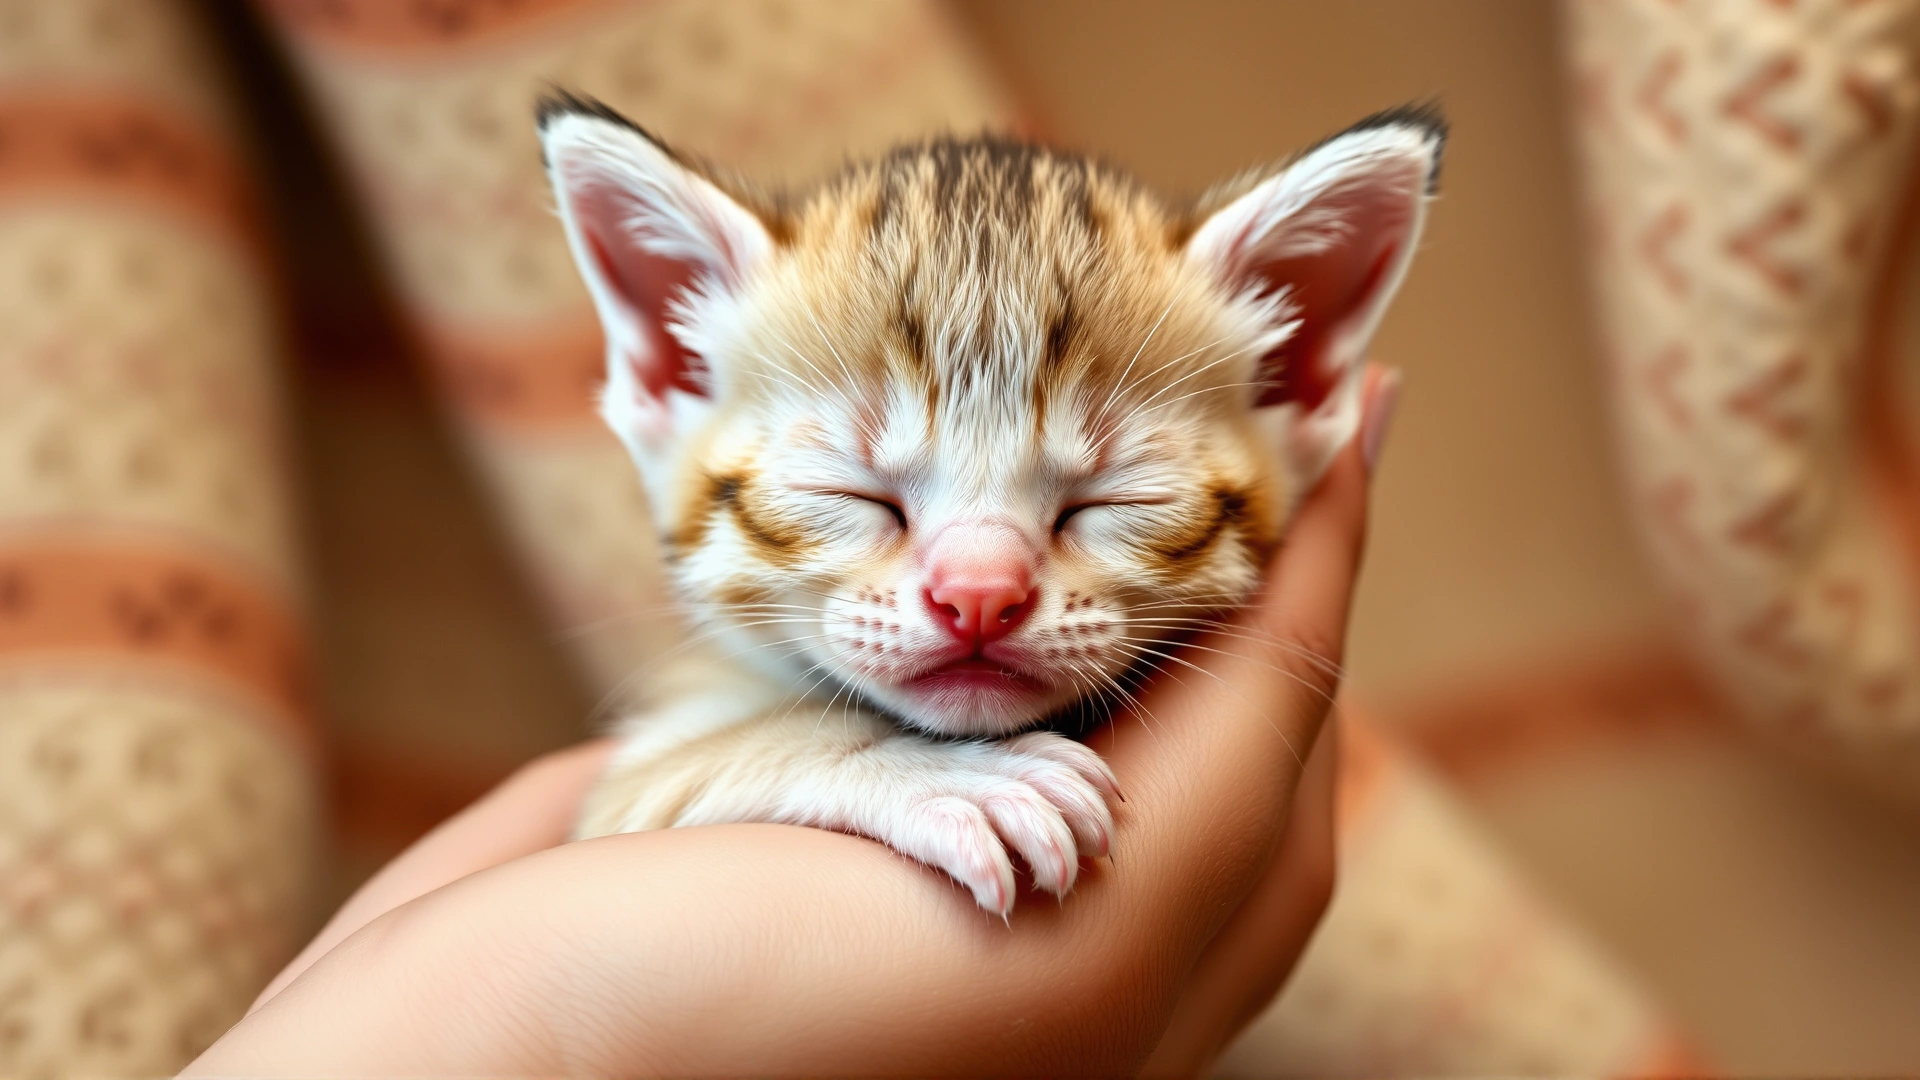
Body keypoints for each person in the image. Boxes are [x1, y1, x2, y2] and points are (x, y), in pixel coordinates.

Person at [180, 370, 1397, 1078]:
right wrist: (514, 1006)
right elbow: (633, 803)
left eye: (1117, 496)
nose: (977, 589)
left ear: (1290, 385)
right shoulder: (718, 716)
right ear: (668, 373)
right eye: (853, 494)